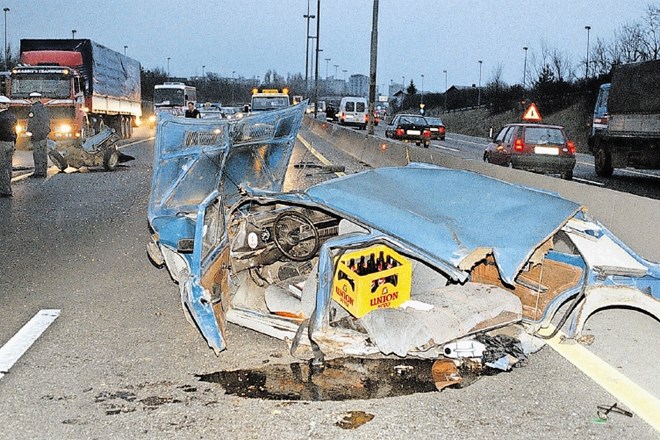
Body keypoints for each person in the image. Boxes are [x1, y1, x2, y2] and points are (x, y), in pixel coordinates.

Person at [26, 92, 50, 178]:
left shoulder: (34, 108)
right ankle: (43, 171)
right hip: (44, 134)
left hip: (37, 134)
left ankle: (38, 172)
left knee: (37, 154)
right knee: (43, 154)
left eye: (31, 99)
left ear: (33, 99)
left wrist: (29, 132)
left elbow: (32, 122)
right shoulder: (44, 107)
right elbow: (47, 121)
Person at [0, 95, 17, 197]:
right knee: (8, 166)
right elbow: (15, 131)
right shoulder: (12, 116)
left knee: (2, 167)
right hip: (11, 142)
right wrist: (14, 143)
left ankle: (5, 190)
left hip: (2, 143)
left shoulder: (1, 117)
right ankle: (7, 186)